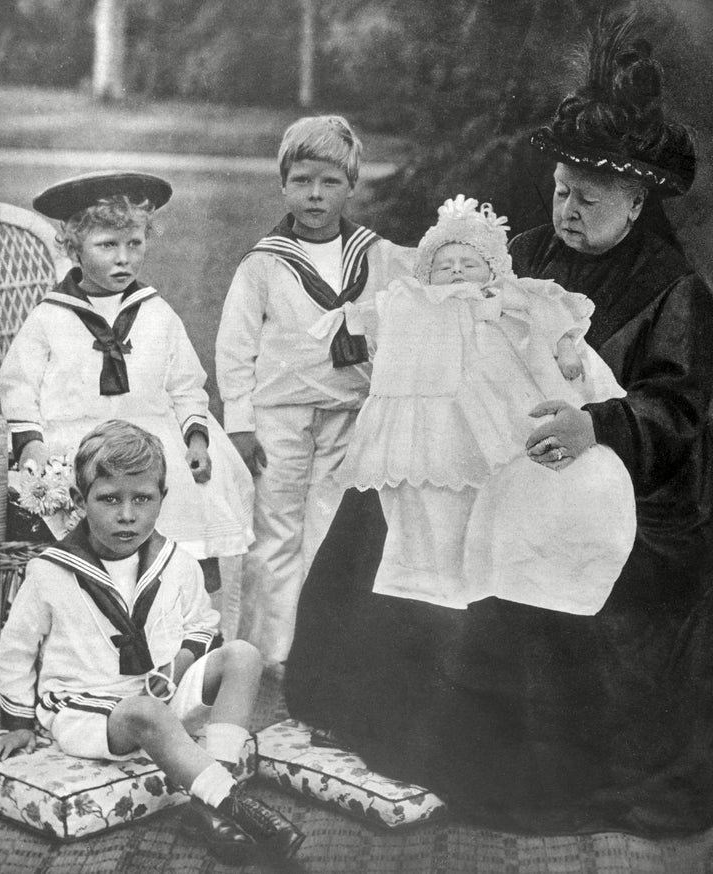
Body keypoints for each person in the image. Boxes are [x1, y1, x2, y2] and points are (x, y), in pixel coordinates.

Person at [285, 15, 713, 836]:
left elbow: (678, 410)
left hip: (622, 477)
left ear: (635, 202)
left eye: (588, 199)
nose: (566, 210)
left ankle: (493, 756)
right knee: (392, 493)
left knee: (524, 542)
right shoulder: (522, 252)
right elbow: (447, 309)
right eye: (558, 189)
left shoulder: (673, 290)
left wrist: (599, 426)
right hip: (497, 448)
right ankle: (360, 703)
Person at [0, 421, 303, 862]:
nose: (126, 514)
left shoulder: (176, 561)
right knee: (144, 711)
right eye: (109, 499)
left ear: (162, 498)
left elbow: (202, 624)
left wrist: (176, 665)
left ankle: (206, 804)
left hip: (159, 691)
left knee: (242, 654)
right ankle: (239, 806)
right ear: (80, 502)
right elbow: (14, 651)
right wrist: (19, 724)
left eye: (142, 498)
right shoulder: (49, 570)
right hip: (89, 709)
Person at [332, 193, 635, 612]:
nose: (456, 272)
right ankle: (427, 578)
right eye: (444, 266)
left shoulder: (501, 297)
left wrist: (564, 347)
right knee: (423, 496)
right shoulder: (412, 299)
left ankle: (493, 573)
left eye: (469, 264)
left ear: (491, 271)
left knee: (490, 491)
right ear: (427, 274)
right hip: (426, 411)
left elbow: (550, 312)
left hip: (492, 404)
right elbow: (370, 323)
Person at [0, 171, 254, 633]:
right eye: (107, 245)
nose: (123, 259)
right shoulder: (49, 318)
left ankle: (192, 624)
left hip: (152, 439)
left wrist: (195, 435)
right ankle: (98, 622)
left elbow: (185, 384)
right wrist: (30, 443)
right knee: (94, 511)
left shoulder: (157, 312)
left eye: (134, 244)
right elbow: (18, 386)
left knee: (190, 501)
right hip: (78, 443)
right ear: (74, 247)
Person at [215, 115, 413, 667]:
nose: (315, 194)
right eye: (302, 181)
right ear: (283, 185)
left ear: (351, 185)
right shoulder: (264, 263)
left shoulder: (378, 256)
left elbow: (430, 289)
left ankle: (316, 650)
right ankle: (262, 656)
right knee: (274, 528)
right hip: (277, 415)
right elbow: (236, 345)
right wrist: (240, 421)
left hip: (349, 412)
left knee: (329, 526)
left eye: (329, 182)